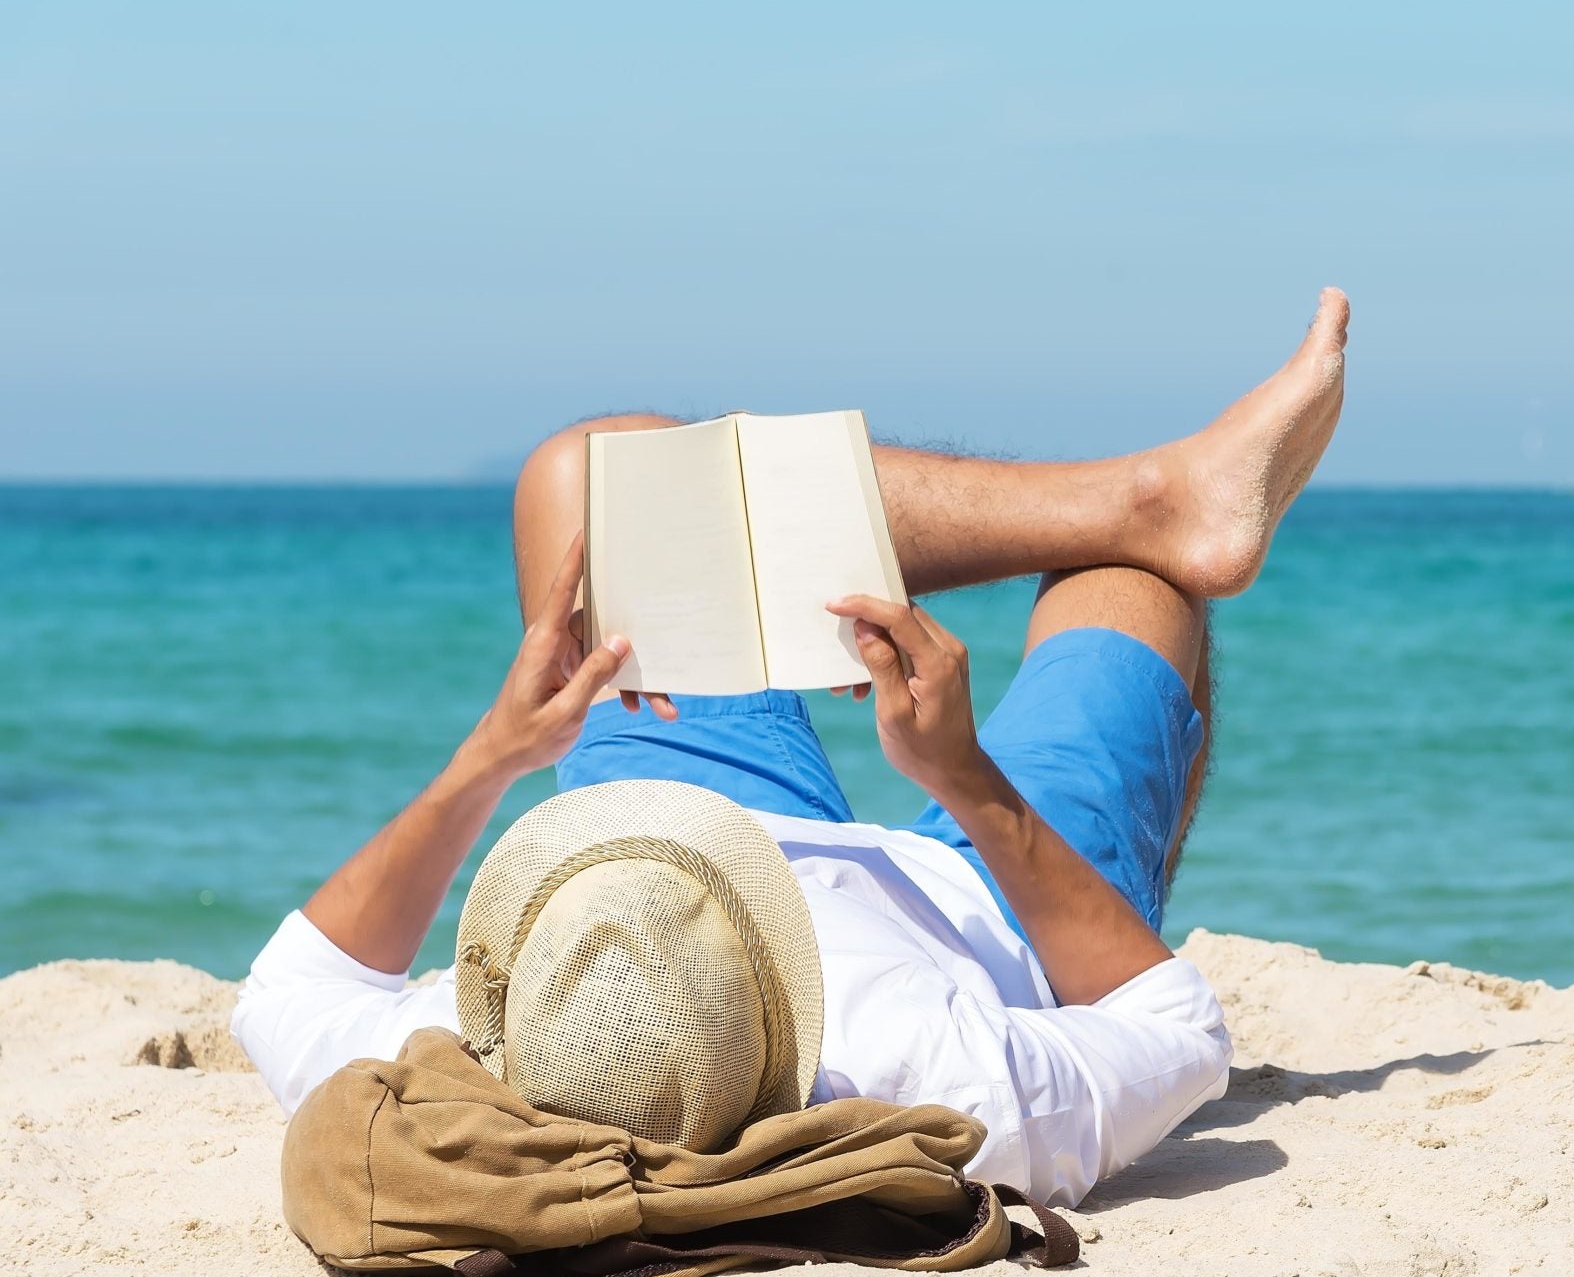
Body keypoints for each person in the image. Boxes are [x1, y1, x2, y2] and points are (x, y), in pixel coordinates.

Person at [230, 289, 1350, 1207]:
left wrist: (498, 751)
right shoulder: (933, 1075)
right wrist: (963, 776)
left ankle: (1149, 499)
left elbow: (294, 980)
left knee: (605, 475)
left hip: (669, 832)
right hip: (984, 896)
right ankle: (1145, 514)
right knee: (1131, 589)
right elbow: (1177, 1027)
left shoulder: (479, 1058)